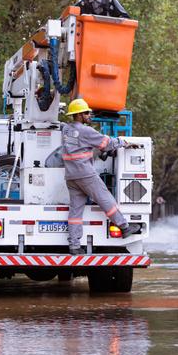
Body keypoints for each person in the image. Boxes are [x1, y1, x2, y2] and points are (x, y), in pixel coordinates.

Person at [61, 98, 134, 254]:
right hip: (85, 174)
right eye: (87, 113)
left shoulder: (66, 130)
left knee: (75, 212)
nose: (89, 115)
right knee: (105, 198)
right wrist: (123, 142)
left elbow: (81, 146)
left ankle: (74, 246)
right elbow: (106, 143)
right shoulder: (85, 131)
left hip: (71, 176)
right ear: (79, 115)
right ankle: (125, 227)